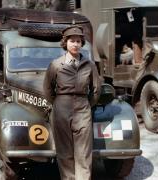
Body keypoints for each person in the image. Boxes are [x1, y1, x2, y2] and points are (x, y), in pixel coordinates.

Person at [43, 25, 101, 180]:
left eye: (78, 41)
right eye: (72, 41)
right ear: (65, 43)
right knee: (65, 151)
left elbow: (96, 90)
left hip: (82, 108)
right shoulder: (56, 64)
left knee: (83, 153)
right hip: (62, 108)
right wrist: (58, 103)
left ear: (82, 44)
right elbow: (48, 89)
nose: (75, 44)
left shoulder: (90, 65)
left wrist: (87, 104)